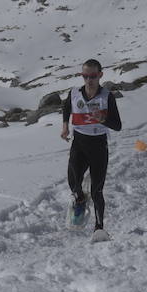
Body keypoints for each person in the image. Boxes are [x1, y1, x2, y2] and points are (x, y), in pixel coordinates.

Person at [60, 59, 122, 232]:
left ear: (100, 75)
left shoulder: (107, 96)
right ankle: (79, 200)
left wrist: (102, 119)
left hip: (98, 145)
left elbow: (118, 125)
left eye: (93, 76)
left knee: (96, 191)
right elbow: (66, 107)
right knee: (74, 183)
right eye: (85, 76)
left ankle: (99, 228)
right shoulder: (74, 93)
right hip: (79, 142)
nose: (89, 80)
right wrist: (65, 126)